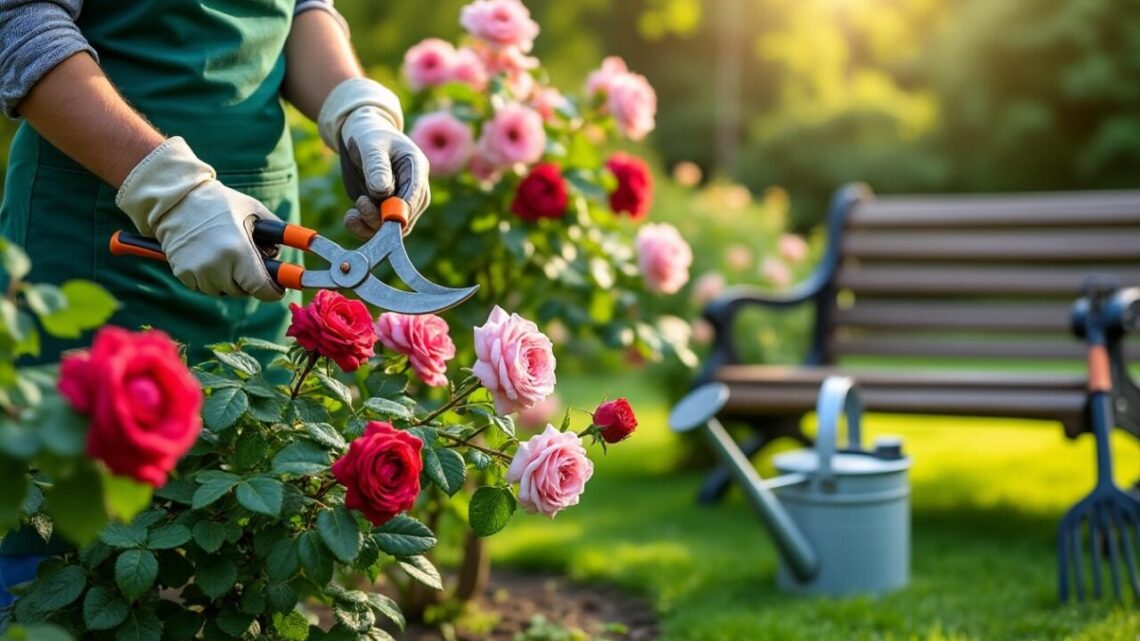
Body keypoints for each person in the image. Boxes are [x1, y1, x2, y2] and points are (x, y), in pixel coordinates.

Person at [0, 0, 431, 617]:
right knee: (63, 559)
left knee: (244, 562)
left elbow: (298, 8)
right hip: (100, 240)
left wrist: (355, 107)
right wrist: (169, 191)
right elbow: (20, 23)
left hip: (261, 238)